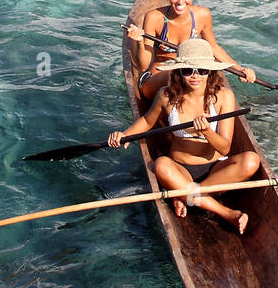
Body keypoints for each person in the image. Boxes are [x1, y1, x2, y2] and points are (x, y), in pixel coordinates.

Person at [109, 38, 260, 234]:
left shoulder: (223, 97)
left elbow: (224, 148)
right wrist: (125, 135)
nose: (195, 76)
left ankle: (183, 196)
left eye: (202, 70)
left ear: (210, 72)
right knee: (160, 165)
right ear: (179, 72)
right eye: (188, 71)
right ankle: (226, 213)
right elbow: (147, 122)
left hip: (216, 171)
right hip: (181, 170)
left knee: (251, 161)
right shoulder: (166, 95)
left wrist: (206, 131)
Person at [128, 0, 256, 103]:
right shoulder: (154, 17)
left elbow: (213, 48)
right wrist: (140, 42)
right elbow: (143, 66)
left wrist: (240, 70)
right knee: (177, 74)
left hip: (190, 78)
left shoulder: (202, 15)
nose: (180, 1)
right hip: (157, 80)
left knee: (217, 84)